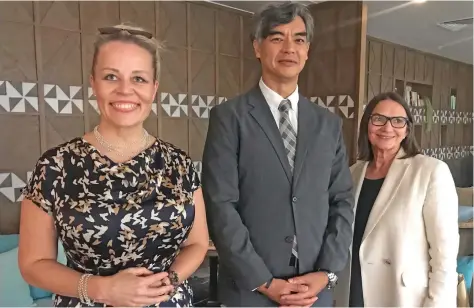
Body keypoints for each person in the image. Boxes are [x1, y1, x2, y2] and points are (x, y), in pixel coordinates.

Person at [18, 24, 209, 307]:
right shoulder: (55, 165)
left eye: (139, 79)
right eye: (111, 77)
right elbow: (33, 264)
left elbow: (197, 244)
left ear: (154, 89)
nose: (125, 90)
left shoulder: (179, 164)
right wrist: (103, 289)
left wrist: (168, 280)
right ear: (93, 83)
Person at [201, 2, 355, 307]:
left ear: (308, 50)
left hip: (314, 293)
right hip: (251, 291)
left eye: (299, 39)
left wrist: (326, 273)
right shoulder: (229, 118)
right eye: (276, 38)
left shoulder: (328, 125)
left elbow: (342, 201)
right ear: (257, 47)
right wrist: (264, 281)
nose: (289, 48)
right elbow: (221, 206)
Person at [334, 92, 459, 307]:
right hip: (352, 291)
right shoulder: (353, 174)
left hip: (402, 297)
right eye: (379, 119)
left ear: (407, 129)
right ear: (367, 124)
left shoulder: (430, 171)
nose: (387, 128)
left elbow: (444, 256)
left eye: (398, 121)